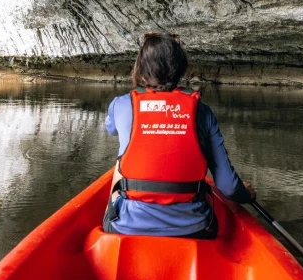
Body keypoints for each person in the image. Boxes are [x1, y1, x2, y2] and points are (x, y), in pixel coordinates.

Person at [103, 33, 256, 239]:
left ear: (141, 68)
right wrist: (245, 194)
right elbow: (228, 188)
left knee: (120, 164)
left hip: (125, 227)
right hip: (195, 228)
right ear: (180, 68)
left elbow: (111, 130)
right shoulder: (202, 112)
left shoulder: (121, 104)